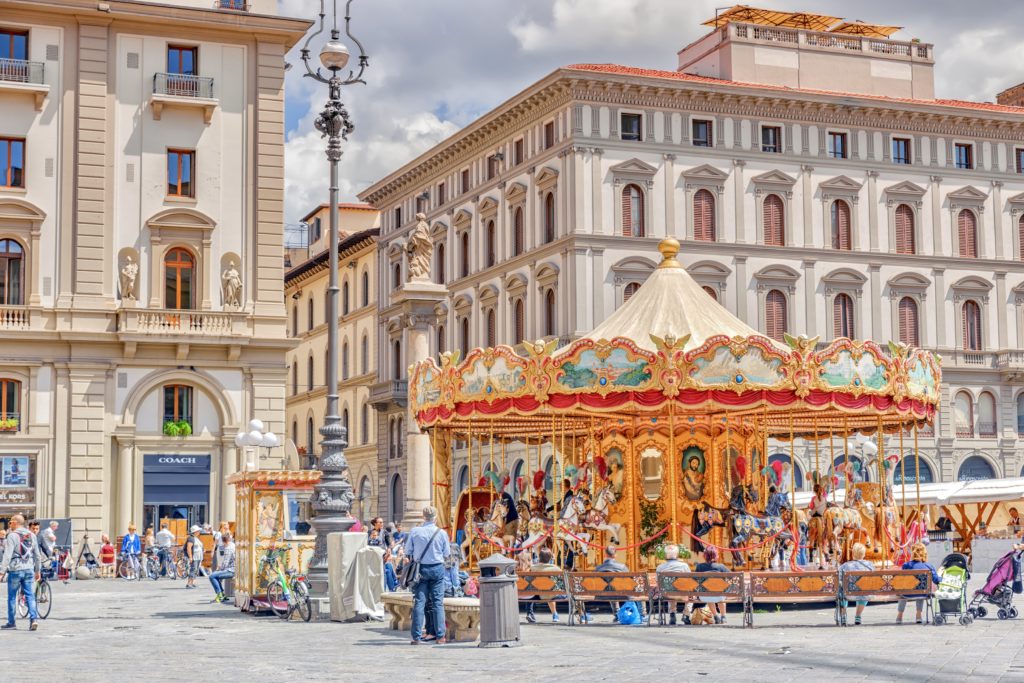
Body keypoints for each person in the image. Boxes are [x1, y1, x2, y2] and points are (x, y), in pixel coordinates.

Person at [404, 506, 450, 645]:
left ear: (423, 517)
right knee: (437, 603)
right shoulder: (441, 533)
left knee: (419, 602)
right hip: (437, 568)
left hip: (420, 569)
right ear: (435, 518)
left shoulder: (415, 531)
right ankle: (440, 636)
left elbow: (408, 551)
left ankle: (416, 637)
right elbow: (446, 554)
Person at [0, 515, 40, 630]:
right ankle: (34, 619)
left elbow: (7, 555)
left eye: (11, 522)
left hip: (15, 569)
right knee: (30, 595)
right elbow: (37, 555)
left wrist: (1, 572)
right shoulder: (32, 535)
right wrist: (37, 570)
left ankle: (12, 623)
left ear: (16, 523)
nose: (9, 524)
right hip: (29, 569)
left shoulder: (12, 536)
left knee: (12, 597)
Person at [896, 542, 940, 624]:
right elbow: (936, 580)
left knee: (905, 589)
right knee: (921, 588)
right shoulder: (929, 566)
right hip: (923, 593)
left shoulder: (906, 565)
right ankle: (918, 615)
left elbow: (901, 580)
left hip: (907, 594)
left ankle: (900, 615)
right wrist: (941, 575)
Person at [525, 546, 563, 623]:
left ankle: (530, 613)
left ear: (539, 557)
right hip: (552, 594)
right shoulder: (557, 569)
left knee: (530, 590)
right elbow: (561, 584)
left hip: (538, 595)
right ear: (550, 558)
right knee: (551, 591)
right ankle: (555, 614)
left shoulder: (533, 568)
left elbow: (527, 581)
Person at [839, 542, 874, 625]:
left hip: (849, 592)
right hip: (864, 593)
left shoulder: (846, 565)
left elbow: (838, 577)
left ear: (853, 553)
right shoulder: (869, 565)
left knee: (842, 590)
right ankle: (858, 616)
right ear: (864, 554)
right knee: (864, 589)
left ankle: (843, 616)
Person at [656, 544, 691, 625]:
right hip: (683, 594)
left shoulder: (660, 567)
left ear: (665, 555)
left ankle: (672, 614)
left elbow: (658, 582)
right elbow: (690, 580)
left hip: (666, 594)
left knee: (669, 589)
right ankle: (686, 615)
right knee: (691, 595)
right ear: (677, 554)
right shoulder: (684, 566)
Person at [694, 546, 729, 624]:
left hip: (704, 596)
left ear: (705, 556)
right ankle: (723, 617)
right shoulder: (721, 567)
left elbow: (695, 580)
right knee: (720, 593)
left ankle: (716, 616)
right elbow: (731, 578)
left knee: (708, 592)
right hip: (719, 595)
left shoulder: (699, 567)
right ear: (716, 556)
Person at [208, 532, 235, 603]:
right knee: (216, 575)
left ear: (223, 541)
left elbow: (225, 564)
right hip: (233, 569)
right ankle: (222, 594)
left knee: (212, 576)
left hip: (231, 571)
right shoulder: (233, 545)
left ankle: (220, 595)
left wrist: (219, 568)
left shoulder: (228, 548)